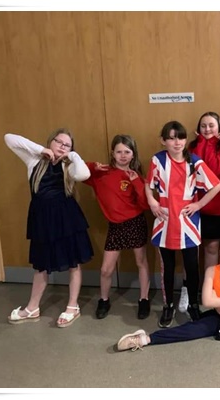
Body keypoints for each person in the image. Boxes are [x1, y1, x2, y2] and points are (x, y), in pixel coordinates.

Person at [5, 129, 94, 327]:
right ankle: (32, 307)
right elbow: (9, 139)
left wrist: (72, 155)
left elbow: (83, 174)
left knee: (73, 263)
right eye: (59, 142)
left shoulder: (69, 166)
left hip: (66, 220)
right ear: (50, 141)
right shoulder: (34, 160)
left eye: (67, 145)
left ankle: (72, 306)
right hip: (42, 220)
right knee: (41, 265)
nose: (62, 146)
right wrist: (41, 150)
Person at [145, 121, 220, 328]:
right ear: (163, 140)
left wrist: (198, 204)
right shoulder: (157, 160)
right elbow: (148, 184)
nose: (176, 142)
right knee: (167, 268)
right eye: (171, 138)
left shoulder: (194, 162)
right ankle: (168, 305)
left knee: (191, 266)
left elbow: (216, 185)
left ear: (186, 140)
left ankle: (193, 304)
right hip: (164, 220)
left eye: (180, 137)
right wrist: (152, 201)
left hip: (188, 223)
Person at [84, 134, 152, 320]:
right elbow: (78, 171)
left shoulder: (136, 176)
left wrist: (136, 182)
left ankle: (144, 299)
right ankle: (104, 300)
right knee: (106, 269)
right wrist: (93, 166)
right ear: (112, 153)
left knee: (141, 262)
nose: (123, 155)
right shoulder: (102, 173)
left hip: (135, 223)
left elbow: (145, 205)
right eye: (119, 152)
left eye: (127, 152)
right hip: (115, 226)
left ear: (133, 154)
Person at [176, 112, 220, 313]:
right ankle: (188, 288)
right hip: (192, 206)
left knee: (211, 249)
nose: (207, 129)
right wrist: (202, 142)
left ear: (219, 128)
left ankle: (208, 290)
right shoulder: (193, 146)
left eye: (211, 125)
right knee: (189, 250)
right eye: (203, 126)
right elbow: (192, 168)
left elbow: (214, 169)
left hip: (217, 207)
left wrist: (208, 143)